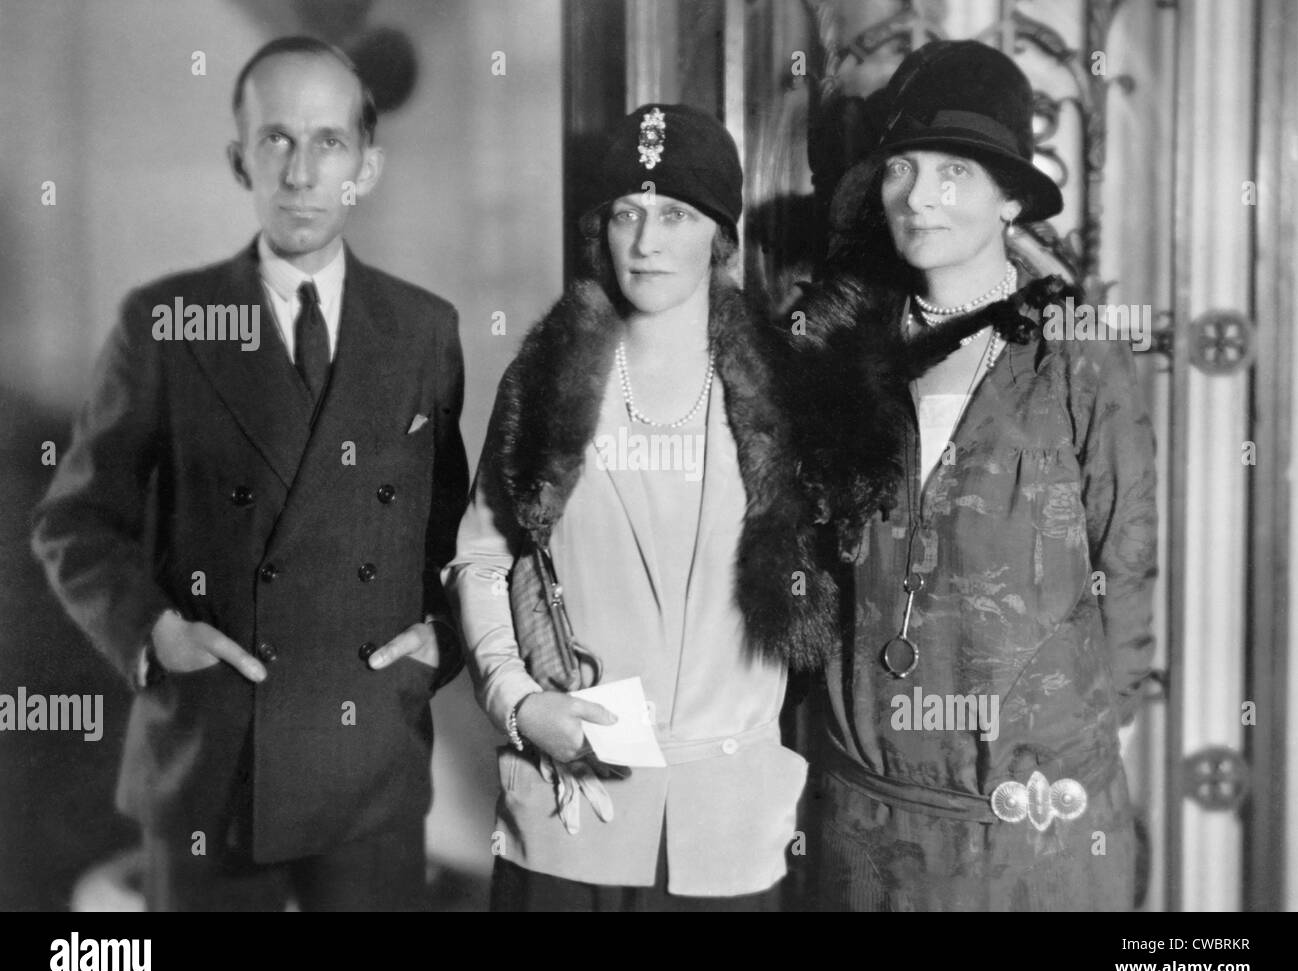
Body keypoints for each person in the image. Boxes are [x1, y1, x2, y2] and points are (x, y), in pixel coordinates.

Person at [30, 36, 469, 911]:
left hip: (368, 758)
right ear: (240, 160)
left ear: (366, 167)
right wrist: (153, 634)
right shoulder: (166, 322)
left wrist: (441, 640)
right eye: (275, 140)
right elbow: (73, 523)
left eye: (328, 142)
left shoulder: (424, 330)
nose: (301, 172)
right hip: (212, 759)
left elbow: (455, 535)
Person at [793, 40, 1158, 911]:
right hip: (867, 826)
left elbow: (1129, 565)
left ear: (1011, 199)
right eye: (901, 170)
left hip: (1032, 834)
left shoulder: (1076, 352)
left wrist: (1073, 750)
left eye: (955, 172)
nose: (919, 198)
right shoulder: (838, 351)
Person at [443, 104, 827, 911]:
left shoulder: (788, 389)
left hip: (727, 828)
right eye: (627, 213)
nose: (647, 242)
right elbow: (481, 556)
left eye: (676, 215)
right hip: (570, 813)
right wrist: (518, 703)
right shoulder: (547, 380)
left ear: (719, 235)